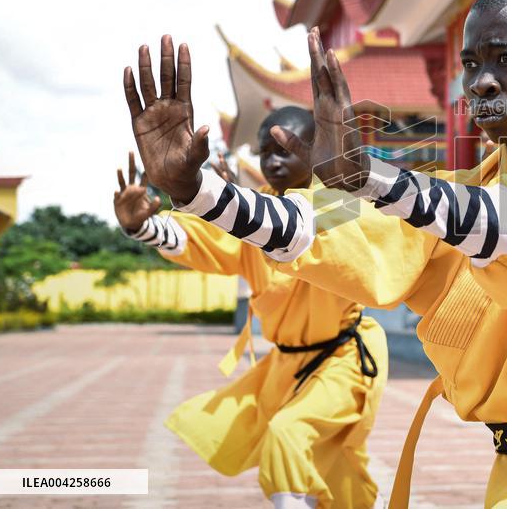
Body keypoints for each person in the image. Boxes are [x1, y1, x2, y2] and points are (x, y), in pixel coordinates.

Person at [123, 0, 507, 508]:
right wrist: (195, 190)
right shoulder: (462, 193)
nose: (481, 83)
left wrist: (374, 177)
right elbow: (323, 229)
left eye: (504, 59)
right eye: (469, 65)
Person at [113, 106, 388, 509]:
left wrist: (229, 205)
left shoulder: (341, 206)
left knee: (287, 433)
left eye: (286, 150)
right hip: (284, 367)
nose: (273, 161)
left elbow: (322, 228)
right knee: (336, 462)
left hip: (342, 360)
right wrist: (143, 227)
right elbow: (197, 242)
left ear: (315, 150)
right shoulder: (251, 216)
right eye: (265, 152)